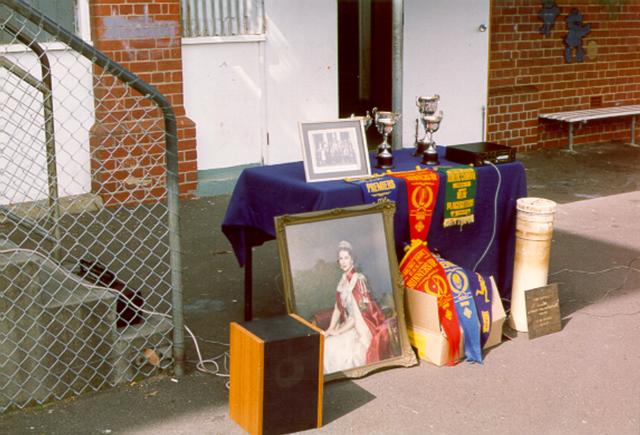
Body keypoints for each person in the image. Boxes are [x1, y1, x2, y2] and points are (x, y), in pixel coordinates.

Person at [323, 240, 391, 374]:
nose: (343, 261)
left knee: (333, 347)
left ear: (352, 259)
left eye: (346, 258)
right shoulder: (343, 280)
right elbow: (338, 307)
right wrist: (330, 328)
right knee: (327, 341)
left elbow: (357, 316)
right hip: (350, 323)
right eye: (340, 258)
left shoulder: (358, 279)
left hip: (362, 326)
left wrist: (339, 331)